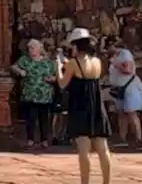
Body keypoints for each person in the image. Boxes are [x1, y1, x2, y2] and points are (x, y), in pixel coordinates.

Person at [59, 28, 112, 184]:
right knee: (103, 148)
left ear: (76, 46)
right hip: (96, 106)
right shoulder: (97, 62)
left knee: (84, 149)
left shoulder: (73, 64)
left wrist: (58, 67)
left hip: (80, 106)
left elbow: (63, 83)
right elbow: (88, 78)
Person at [10, 39, 57, 149]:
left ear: (39, 49)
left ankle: (44, 140)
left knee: (44, 118)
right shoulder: (25, 60)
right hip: (30, 94)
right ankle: (30, 140)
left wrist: (51, 79)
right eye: (29, 48)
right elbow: (13, 67)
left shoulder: (47, 62)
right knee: (30, 118)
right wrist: (20, 71)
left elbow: (55, 76)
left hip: (44, 95)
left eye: (33, 48)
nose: (30, 50)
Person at [104, 38, 142, 151]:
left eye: (108, 47)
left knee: (131, 113)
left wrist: (115, 63)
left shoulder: (125, 54)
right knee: (121, 113)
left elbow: (128, 70)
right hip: (120, 88)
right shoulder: (116, 56)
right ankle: (122, 139)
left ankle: (138, 139)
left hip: (130, 87)